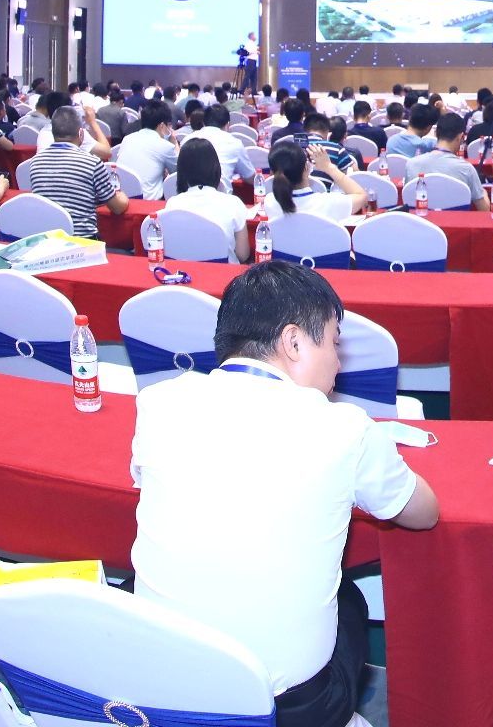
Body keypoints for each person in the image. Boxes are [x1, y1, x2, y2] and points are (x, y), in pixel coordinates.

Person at [129, 261, 436, 726]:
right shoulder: (344, 428)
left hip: (159, 685)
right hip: (287, 708)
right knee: (348, 600)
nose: (338, 363)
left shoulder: (159, 401)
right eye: (333, 343)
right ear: (293, 342)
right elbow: (423, 512)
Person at [30, 106, 128, 239]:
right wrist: (122, 197)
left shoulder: (35, 162)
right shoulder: (92, 163)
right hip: (83, 242)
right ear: (81, 134)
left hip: (49, 241)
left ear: (53, 133)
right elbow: (117, 208)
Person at [165, 137, 253, 261]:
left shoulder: (173, 203)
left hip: (182, 271)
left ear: (182, 171)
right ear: (216, 168)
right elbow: (242, 255)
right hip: (224, 272)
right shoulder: (234, 203)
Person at [404, 112, 490, 211]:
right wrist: (483, 192)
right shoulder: (466, 169)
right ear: (461, 137)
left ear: (436, 133)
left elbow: (407, 200)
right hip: (456, 220)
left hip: (420, 221)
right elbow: (484, 210)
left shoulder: (411, 164)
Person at [265, 140, 369, 221]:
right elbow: (362, 196)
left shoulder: (269, 202)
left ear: (272, 172)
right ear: (306, 167)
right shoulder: (329, 203)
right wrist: (329, 167)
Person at [117, 99, 180, 190]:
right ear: (162, 126)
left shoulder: (127, 139)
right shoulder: (165, 146)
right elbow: (178, 173)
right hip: (149, 198)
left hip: (122, 194)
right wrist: (175, 143)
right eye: (169, 126)